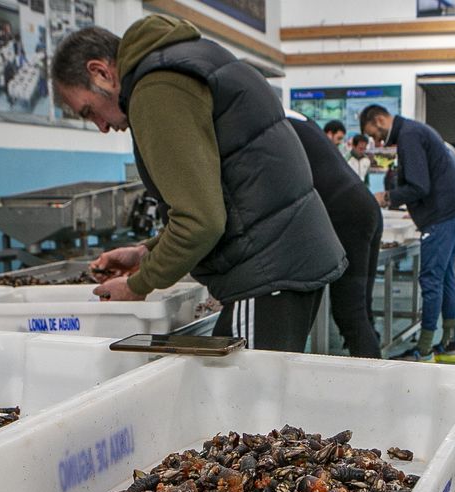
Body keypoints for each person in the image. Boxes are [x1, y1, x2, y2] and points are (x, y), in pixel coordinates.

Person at [51, 16, 346, 353]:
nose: (101, 126)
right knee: (253, 394)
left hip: (266, 270)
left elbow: (200, 222)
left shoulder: (156, 88)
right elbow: (224, 194)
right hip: (286, 256)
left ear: (101, 72)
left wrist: (138, 284)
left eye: (90, 111)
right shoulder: (190, 58)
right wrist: (146, 252)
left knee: (240, 398)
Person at [360, 104, 455, 363]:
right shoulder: (414, 131)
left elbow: (419, 186)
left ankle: (424, 350)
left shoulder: (408, 135)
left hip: (441, 216)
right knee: (445, 279)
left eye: (374, 135)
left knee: (431, 280)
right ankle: (449, 345)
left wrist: (385, 197)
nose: (376, 142)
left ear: (380, 120)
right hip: (453, 212)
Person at [287, 111, 382, 358]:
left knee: (349, 312)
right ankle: (376, 377)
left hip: (346, 215)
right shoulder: (300, 121)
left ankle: (373, 386)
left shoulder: (276, 124)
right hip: (364, 206)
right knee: (361, 310)